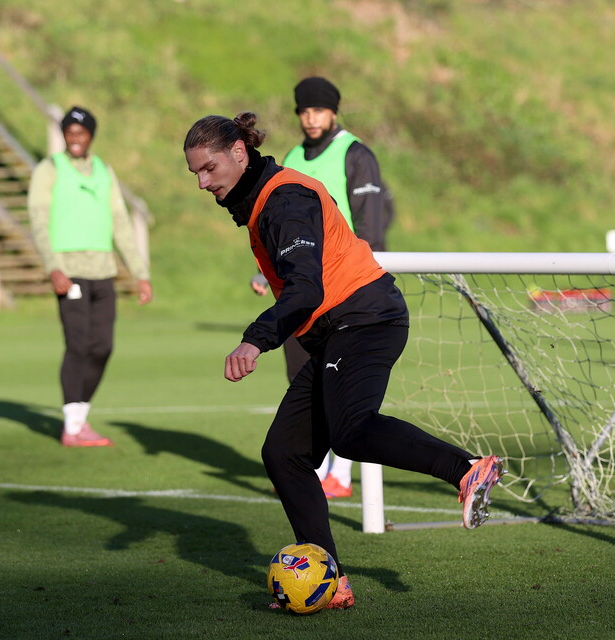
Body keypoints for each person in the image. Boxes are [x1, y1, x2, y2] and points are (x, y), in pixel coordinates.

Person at [183, 112, 502, 610]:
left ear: (239, 153)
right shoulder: (262, 200)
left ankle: (466, 469)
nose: (203, 183)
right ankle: (330, 582)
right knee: (283, 454)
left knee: (351, 430)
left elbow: (306, 290)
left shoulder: (285, 198)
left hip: (365, 318)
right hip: (340, 329)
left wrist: (255, 340)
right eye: (195, 173)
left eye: (209, 168)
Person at [252, 77, 395, 499]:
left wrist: (364, 282)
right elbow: (280, 225)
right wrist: (266, 272)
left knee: (341, 380)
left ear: (333, 111)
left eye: (318, 110)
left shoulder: (356, 155)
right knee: (302, 377)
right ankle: (311, 466)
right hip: (301, 290)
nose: (311, 118)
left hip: (346, 289)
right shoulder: (292, 157)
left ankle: (341, 473)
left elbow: (371, 224)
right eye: (304, 111)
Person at [28, 105, 153, 447]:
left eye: (81, 132)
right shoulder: (48, 169)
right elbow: (38, 221)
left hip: (103, 272)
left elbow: (121, 224)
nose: (75, 138)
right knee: (78, 345)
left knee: (102, 347)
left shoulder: (103, 170)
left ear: (91, 136)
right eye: (69, 132)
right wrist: (53, 267)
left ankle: (79, 420)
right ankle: (72, 427)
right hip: (69, 272)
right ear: (63, 135)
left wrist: (140, 273)